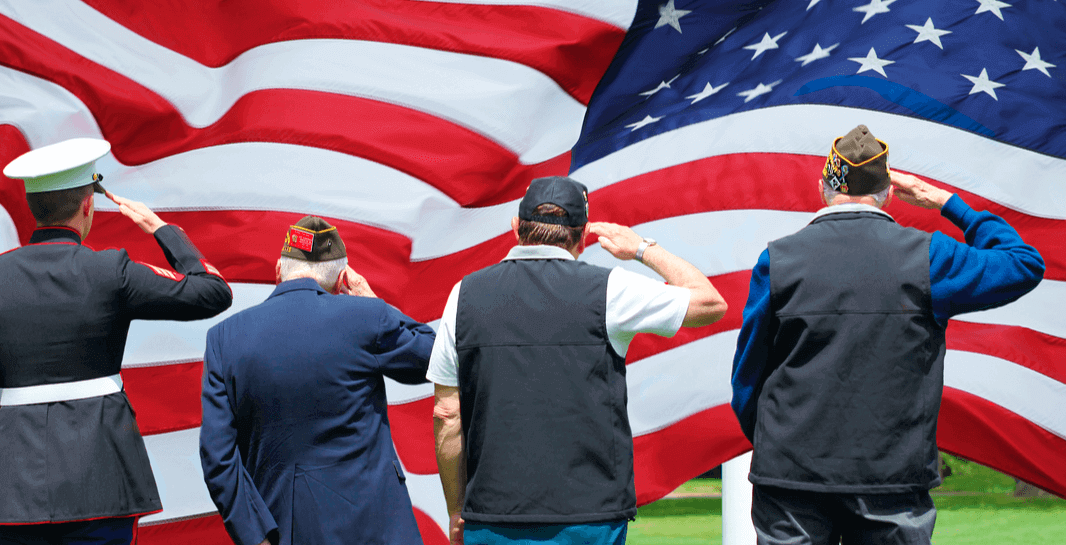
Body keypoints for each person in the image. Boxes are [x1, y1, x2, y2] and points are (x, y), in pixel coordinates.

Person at [730, 125, 1045, 545]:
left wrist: (776, 439)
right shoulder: (929, 255)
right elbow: (1022, 263)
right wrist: (950, 204)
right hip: (892, 476)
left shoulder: (779, 258)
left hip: (791, 474)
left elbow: (748, 372)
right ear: (889, 192)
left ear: (824, 185)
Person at [0, 138, 233, 545]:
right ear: (88, 205)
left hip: (17, 493)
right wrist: (161, 229)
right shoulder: (110, 271)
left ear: (32, 207)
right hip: (103, 485)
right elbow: (213, 292)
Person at [429, 176, 728, 545]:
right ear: (583, 234)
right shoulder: (610, 291)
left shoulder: (464, 295)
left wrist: (457, 511)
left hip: (493, 517)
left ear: (515, 227)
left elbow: (447, 415)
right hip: (590, 518)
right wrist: (641, 248)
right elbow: (711, 303)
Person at [200, 216, 436, 545]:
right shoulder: (366, 317)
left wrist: (257, 539)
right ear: (342, 279)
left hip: (289, 529)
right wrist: (372, 302)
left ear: (279, 272)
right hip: (379, 528)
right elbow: (435, 358)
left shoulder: (224, 339)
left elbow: (218, 458)